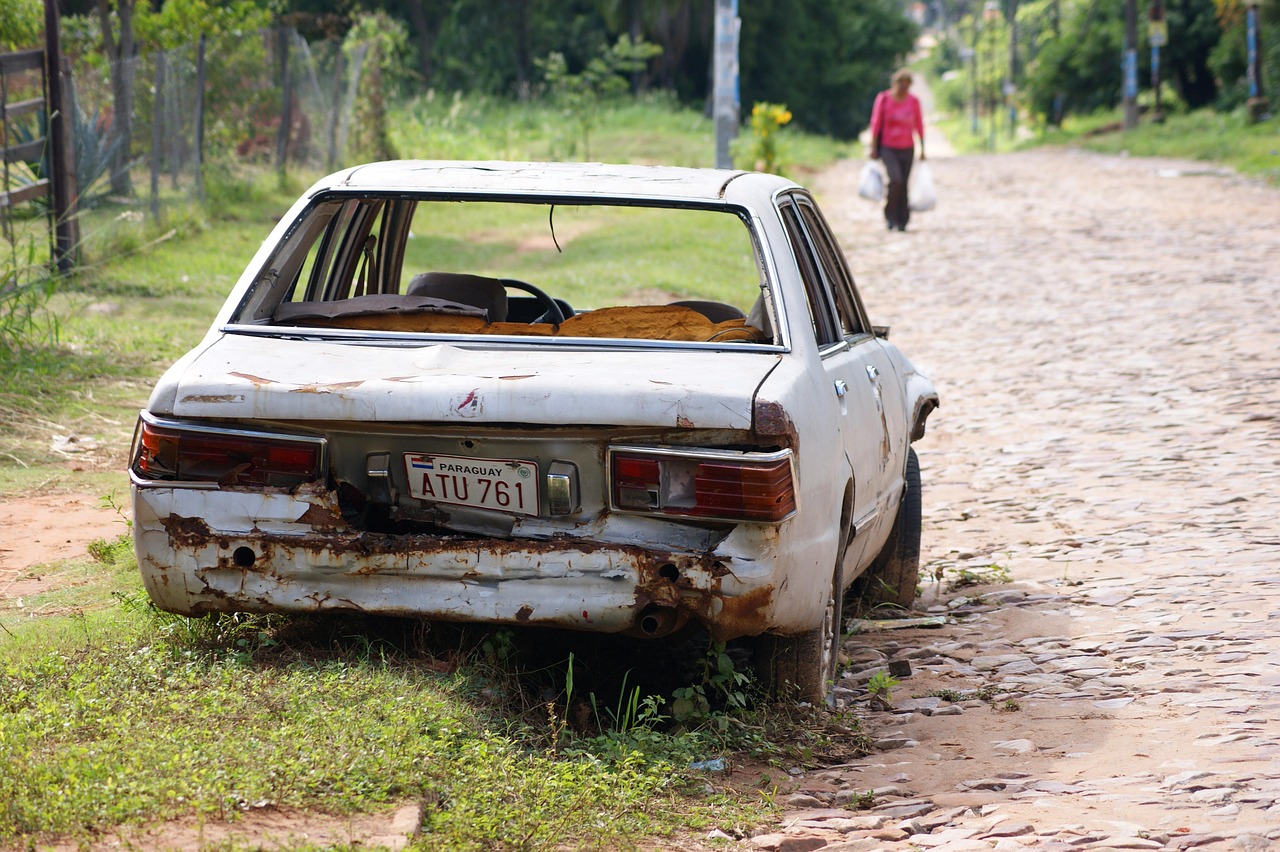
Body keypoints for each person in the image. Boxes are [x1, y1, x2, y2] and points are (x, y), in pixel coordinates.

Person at [868, 69, 925, 232]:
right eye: (901, 86)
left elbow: (919, 124)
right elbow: (876, 123)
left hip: (907, 147)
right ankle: (890, 215)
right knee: (896, 180)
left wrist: (923, 147)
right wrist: (873, 147)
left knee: (904, 183)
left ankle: (903, 220)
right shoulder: (884, 99)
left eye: (906, 87)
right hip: (888, 147)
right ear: (895, 84)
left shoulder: (913, 101)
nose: (903, 90)